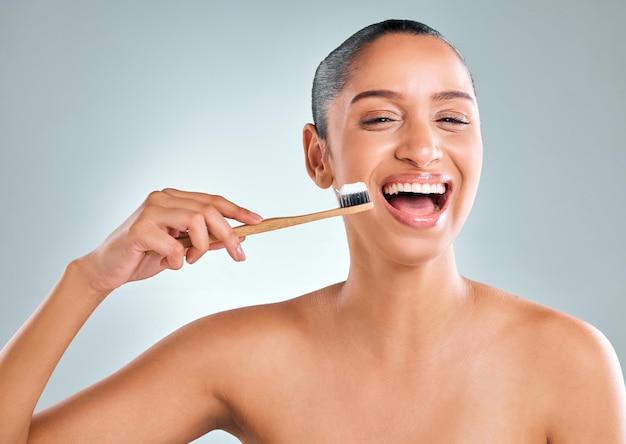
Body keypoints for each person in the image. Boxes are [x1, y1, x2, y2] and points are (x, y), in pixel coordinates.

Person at [1, 19, 624, 443]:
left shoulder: (569, 361)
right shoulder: (238, 356)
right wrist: (86, 279)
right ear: (318, 158)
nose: (423, 147)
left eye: (452, 118)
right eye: (381, 117)